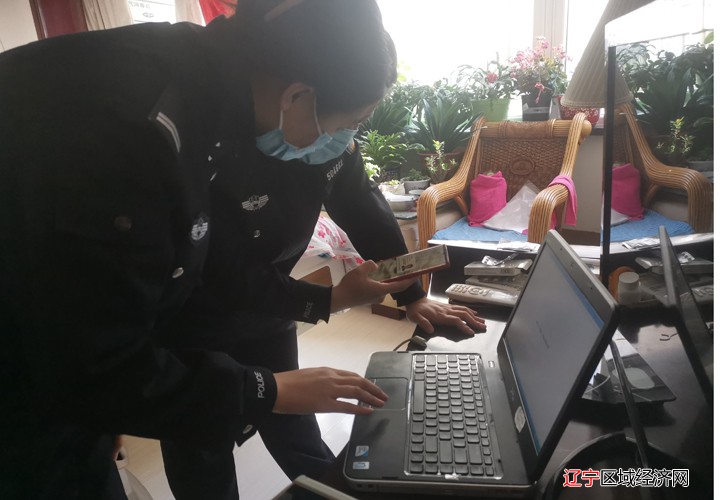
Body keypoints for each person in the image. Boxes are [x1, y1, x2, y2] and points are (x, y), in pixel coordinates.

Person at [0, 0, 484, 498]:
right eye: (347, 123)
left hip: (100, 348)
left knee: (289, 421)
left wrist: (410, 293)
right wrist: (281, 366)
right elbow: (104, 362)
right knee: (198, 448)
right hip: (57, 379)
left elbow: (359, 201)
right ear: (298, 95)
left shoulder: (215, 84)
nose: (344, 140)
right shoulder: (136, 128)